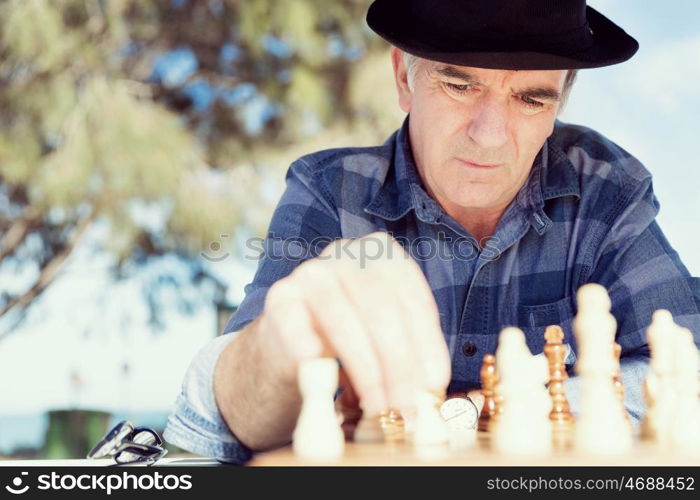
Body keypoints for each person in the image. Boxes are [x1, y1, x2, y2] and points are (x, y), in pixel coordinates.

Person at [163, 0, 700, 464]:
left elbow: (687, 370)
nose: (490, 137)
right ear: (403, 78)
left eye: (531, 98)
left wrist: (479, 410)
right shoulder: (330, 191)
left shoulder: (605, 187)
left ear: (561, 99)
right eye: (459, 84)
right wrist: (281, 342)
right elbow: (224, 423)